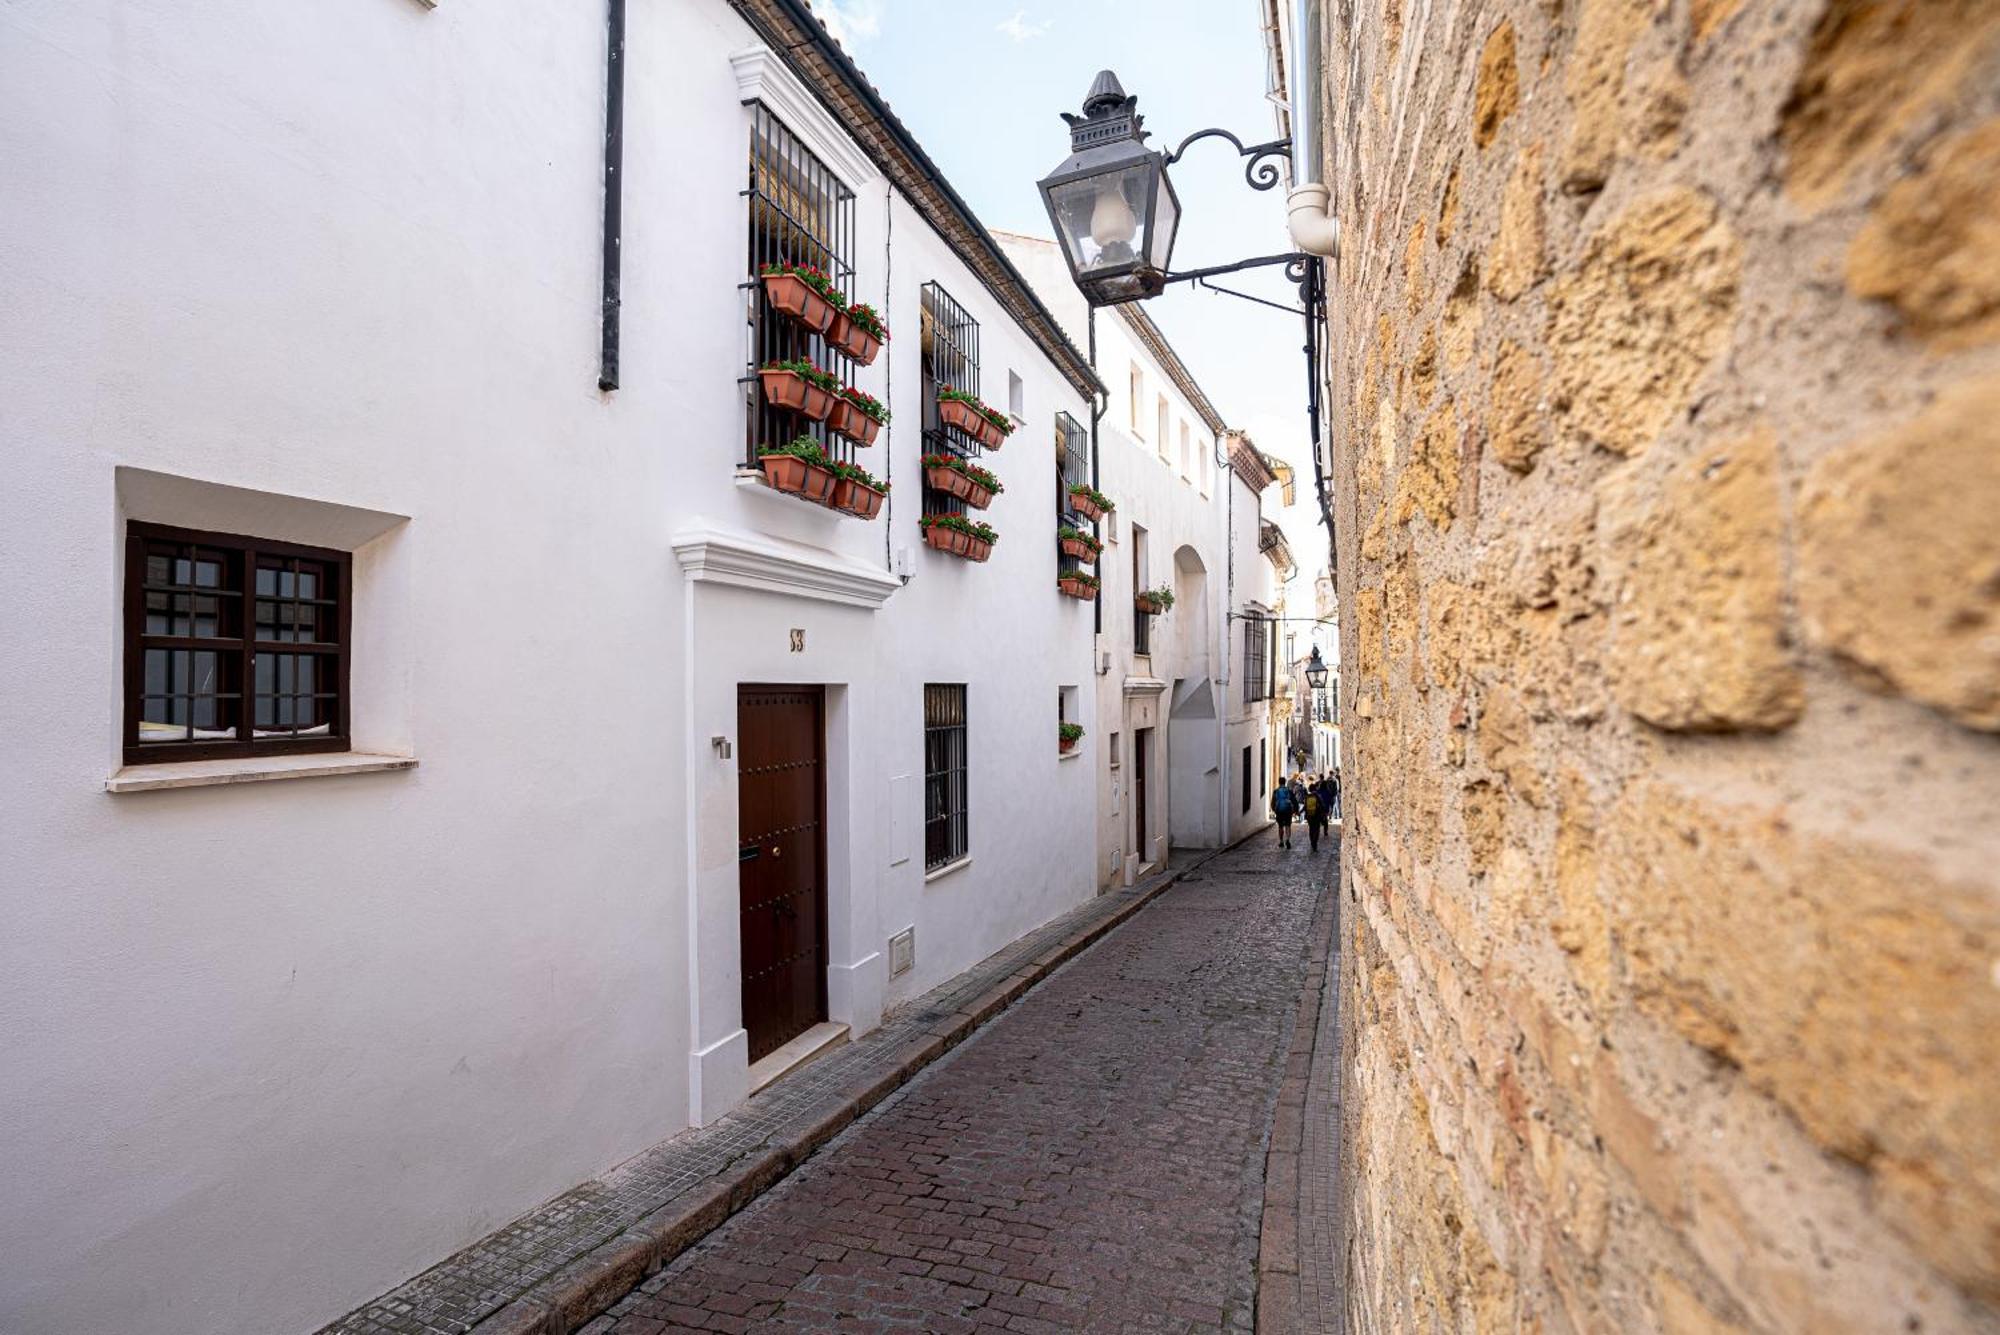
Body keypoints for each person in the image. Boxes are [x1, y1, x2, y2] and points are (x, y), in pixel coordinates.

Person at [1303, 776, 1327, 852]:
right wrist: (1324, 813)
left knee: (1311, 829)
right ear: (1315, 789)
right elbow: (1322, 805)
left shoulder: (1308, 796)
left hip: (1309, 815)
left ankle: (1312, 842)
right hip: (1317, 815)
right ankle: (1314, 844)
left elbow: (1305, 806)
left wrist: (1300, 812)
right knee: (1316, 829)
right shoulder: (1317, 796)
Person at [1271, 776, 1296, 848]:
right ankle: (1287, 839)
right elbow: (1293, 800)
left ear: (1279, 782)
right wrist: (1294, 810)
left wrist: (1274, 809)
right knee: (1288, 826)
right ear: (1285, 782)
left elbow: (1273, 802)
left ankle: (1281, 841)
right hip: (1288, 810)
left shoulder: (1276, 791)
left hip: (1279, 811)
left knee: (1280, 826)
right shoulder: (1289, 790)